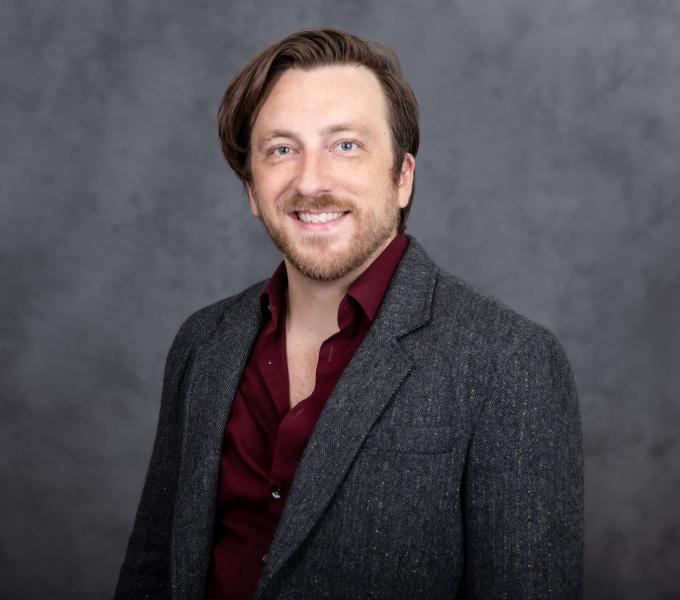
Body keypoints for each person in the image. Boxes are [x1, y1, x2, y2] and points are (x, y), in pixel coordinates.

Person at [114, 28, 583, 600]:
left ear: (403, 177)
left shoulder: (510, 363)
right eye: (282, 149)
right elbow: (150, 573)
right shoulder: (201, 344)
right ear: (252, 191)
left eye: (345, 145)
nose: (311, 182)